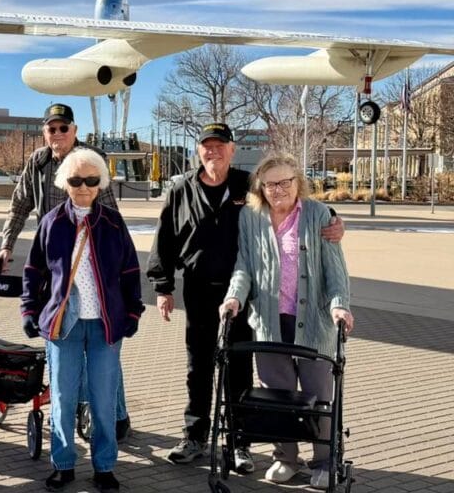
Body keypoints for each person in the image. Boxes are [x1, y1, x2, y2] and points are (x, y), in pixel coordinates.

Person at [146, 122, 344, 471]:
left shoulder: (246, 185)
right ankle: (194, 436)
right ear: (198, 151)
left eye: (220, 146)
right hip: (200, 289)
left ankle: (239, 443)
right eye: (207, 146)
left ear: (232, 150)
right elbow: (165, 239)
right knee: (199, 366)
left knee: (239, 369)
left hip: (248, 295)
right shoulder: (181, 189)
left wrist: (335, 220)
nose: (213, 152)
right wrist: (163, 287)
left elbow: (294, 202)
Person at [0, 103, 130, 440]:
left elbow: (110, 210)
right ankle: (66, 413)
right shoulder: (38, 162)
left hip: (90, 260)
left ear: (75, 130)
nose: (57, 134)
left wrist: (116, 264)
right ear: (45, 132)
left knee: (103, 344)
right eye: (51, 128)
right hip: (54, 264)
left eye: (63, 128)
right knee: (62, 337)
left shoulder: (90, 161)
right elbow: (20, 203)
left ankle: (116, 414)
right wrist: (7, 245)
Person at [220, 153, 354, 489]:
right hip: (268, 320)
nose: (278, 189)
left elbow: (335, 269)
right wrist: (235, 296)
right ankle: (286, 458)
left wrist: (340, 305)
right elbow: (244, 265)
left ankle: (325, 461)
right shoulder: (250, 217)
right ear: (260, 188)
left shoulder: (318, 214)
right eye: (270, 184)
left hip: (313, 320)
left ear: (298, 183)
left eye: (285, 182)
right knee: (276, 395)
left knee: (318, 394)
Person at [21, 148, 143, 492]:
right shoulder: (52, 223)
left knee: (104, 398)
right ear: (65, 183)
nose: (84, 187)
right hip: (64, 325)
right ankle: (63, 464)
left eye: (92, 180)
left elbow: (131, 271)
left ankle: (104, 465)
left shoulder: (113, 222)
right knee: (62, 396)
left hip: (105, 324)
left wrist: (133, 312)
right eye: (76, 180)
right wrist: (30, 310)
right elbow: (34, 271)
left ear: (101, 182)